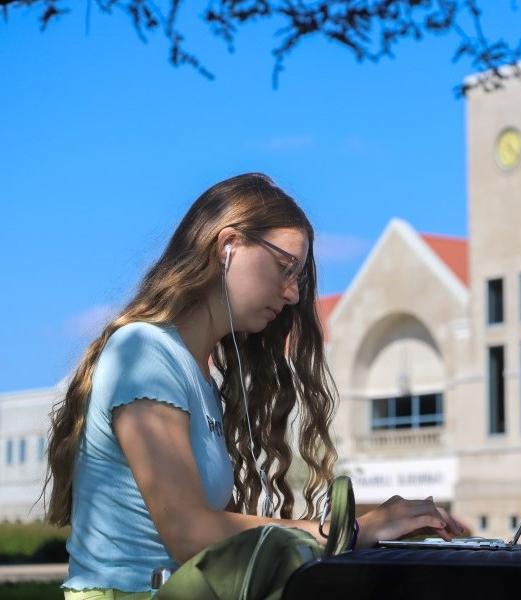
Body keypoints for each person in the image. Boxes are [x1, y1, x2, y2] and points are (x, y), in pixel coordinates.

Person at [43, 173, 464, 599]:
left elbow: (224, 536)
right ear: (227, 247)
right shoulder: (145, 352)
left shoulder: (200, 376)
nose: (294, 294)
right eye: (285, 268)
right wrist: (350, 531)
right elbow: (190, 533)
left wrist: (383, 525)